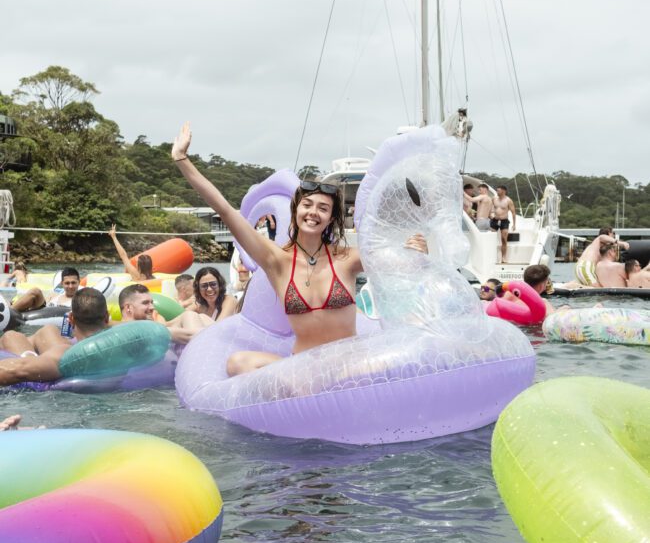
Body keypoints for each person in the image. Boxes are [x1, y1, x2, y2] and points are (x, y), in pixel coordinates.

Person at [170, 122, 428, 376]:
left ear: (330, 219)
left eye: (323, 208)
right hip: (304, 368)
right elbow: (225, 209)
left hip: (349, 364)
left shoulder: (347, 258)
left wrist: (416, 252)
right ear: (296, 211)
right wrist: (182, 159)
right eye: (308, 205)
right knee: (238, 363)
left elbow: (400, 265)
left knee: (404, 356)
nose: (314, 212)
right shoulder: (276, 260)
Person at [0, 288, 109, 386]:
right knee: (48, 330)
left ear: (70, 319)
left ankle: (29, 354)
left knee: (10, 336)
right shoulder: (121, 343)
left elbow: (16, 371)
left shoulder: (67, 356)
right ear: (107, 317)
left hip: (41, 380)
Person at [118, 283, 218, 345]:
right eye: (145, 303)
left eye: (152, 302)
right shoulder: (129, 331)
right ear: (128, 308)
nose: (152, 307)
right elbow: (191, 336)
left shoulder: (149, 324)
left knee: (198, 316)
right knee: (190, 316)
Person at [10, 267, 80, 312]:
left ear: (78, 282)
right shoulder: (55, 295)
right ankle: (9, 311)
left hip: (54, 318)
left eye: (73, 283)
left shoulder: (81, 300)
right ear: (62, 283)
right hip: (43, 310)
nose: (70, 286)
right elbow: (45, 303)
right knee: (35, 291)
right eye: (67, 283)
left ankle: (10, 312)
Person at [490, 185, 516, 263]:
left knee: (504, 240)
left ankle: (503, 257)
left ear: (504, 191)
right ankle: (491, 256)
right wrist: (490, 214)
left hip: (504, 221)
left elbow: (513, 213)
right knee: (491, 239)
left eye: (498, 190)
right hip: (495, 220)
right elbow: (491, 208)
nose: (497, 192)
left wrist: (514, 224)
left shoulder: (508, 200)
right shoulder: (494, 199)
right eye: (497, 190)